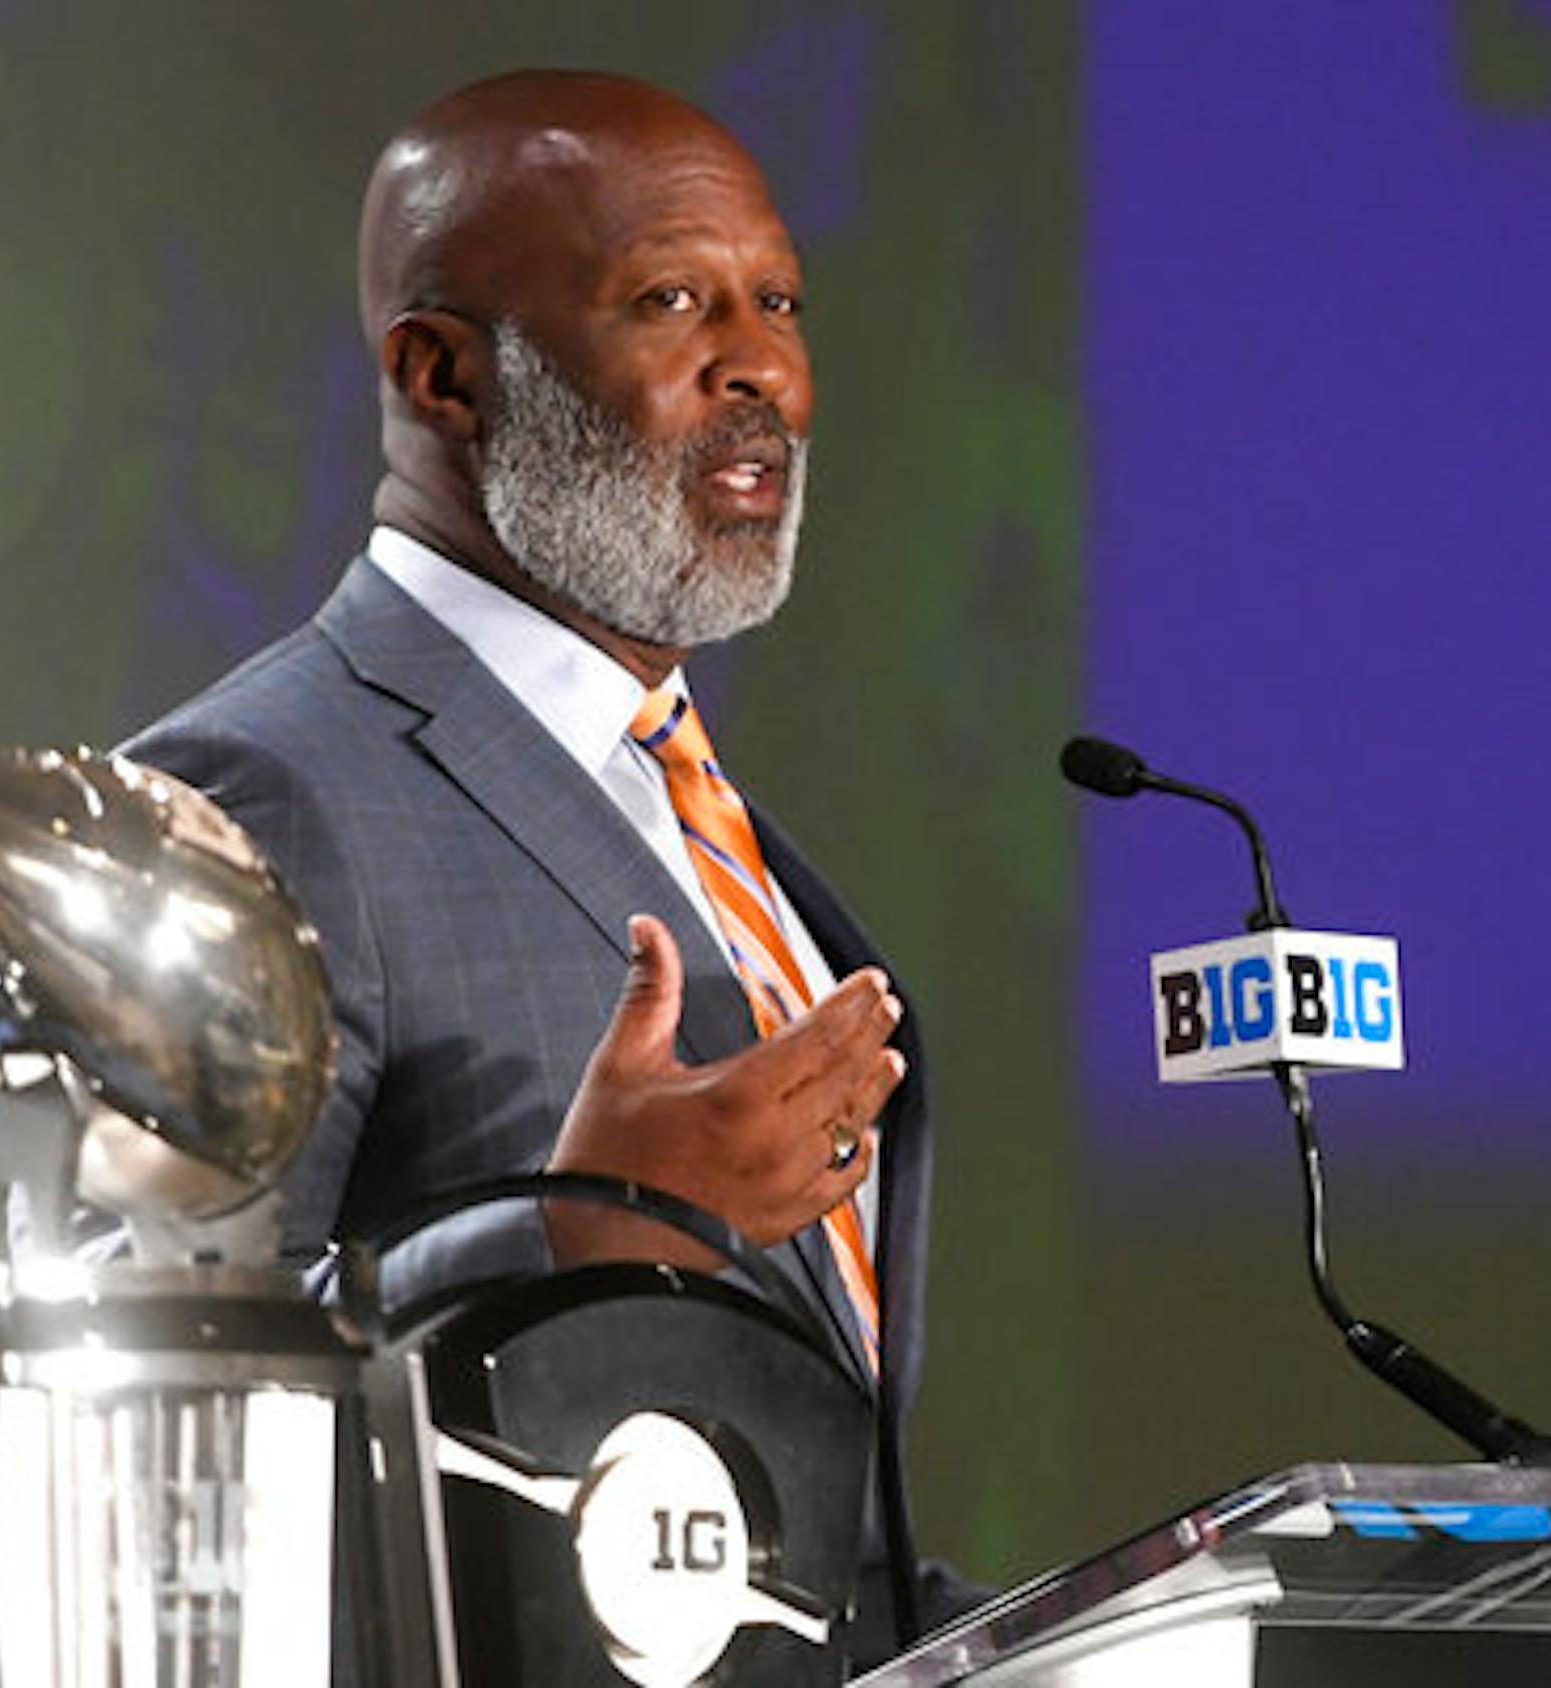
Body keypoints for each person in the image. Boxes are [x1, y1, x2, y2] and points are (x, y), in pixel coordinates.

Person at [127, 68, 974, 1664]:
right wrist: (570, 1231)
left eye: (776, 299)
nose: (762, 371)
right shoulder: (251, 791)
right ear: (443, 376)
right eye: (669, 298)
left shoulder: (703, 807)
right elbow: (133, 1382)